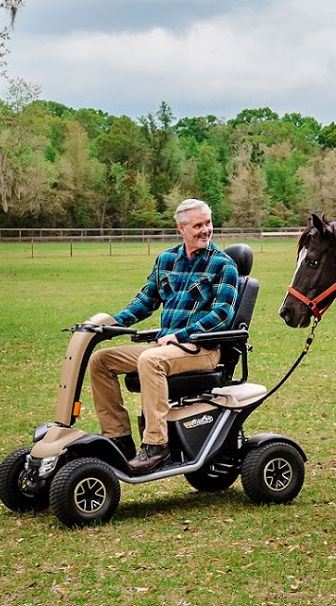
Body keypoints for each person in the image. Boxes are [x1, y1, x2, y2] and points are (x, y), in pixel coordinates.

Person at [88, 199, 238, 473]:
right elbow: (144, 302)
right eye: (198, 225)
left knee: (150, 360)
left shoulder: (223, 264)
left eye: (208, 223)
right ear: (181, 228)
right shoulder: (166, 259)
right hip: (167, 346)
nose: (206, 230)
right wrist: (110, 325)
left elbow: (221, 316)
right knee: (100, 361)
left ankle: (156, 446)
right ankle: (118, 440)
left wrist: (181, 336)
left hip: (201, 348)